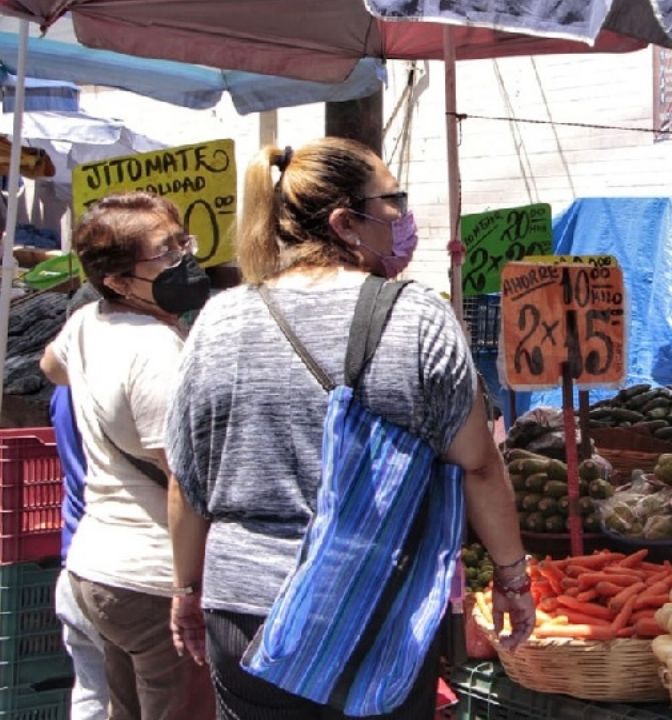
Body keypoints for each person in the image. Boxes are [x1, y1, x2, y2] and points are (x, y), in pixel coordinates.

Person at [163, 138, 534, 719]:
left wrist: (186, 589)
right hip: (374, 609)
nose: (405, 218)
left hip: (242, 613)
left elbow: (187, 480)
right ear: (345, 222)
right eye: (395, 201)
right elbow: (480, 465)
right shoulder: (417, 317)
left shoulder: (218, 319)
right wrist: (513, 575)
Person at [39, 192, 215, 720]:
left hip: (95, 571)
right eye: (166, 251)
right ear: (117, 280)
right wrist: (187, 590)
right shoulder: (156, 352)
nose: (185, 257)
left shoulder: (89, 322)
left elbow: (51, 367)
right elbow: (183, 481)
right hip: (151, 579)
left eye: (184, 241)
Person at [50, 382, 108, 720]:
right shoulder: (123, 378)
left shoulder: (65, 386)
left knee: (91, 692)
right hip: (122, 571)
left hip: (75, 559)